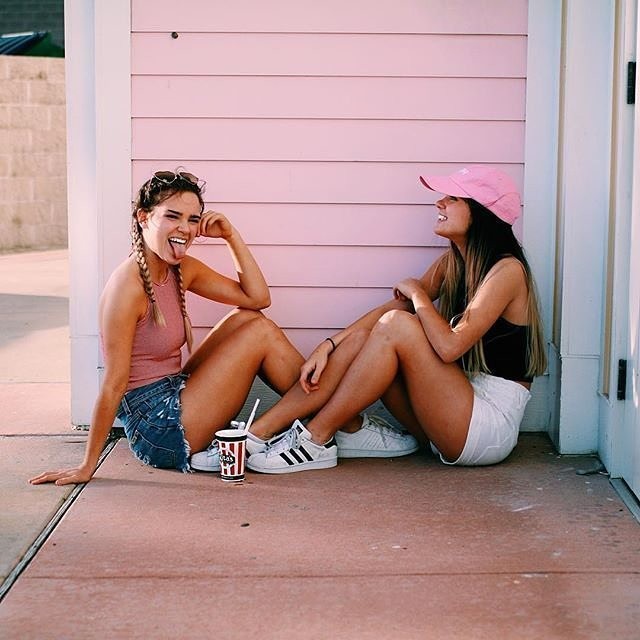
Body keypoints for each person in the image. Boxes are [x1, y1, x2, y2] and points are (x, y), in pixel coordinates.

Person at [244, 165, 547, 474]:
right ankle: (256, 435)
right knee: (368, 336)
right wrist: (329, 345)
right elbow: (391, 311)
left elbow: (449, 347)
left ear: (483, 214)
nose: (439, 203)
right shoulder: (454, 264)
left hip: (486, 428)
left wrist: (419, 296)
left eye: (453, 198)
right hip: (450, 413)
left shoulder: (507, 271)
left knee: (398, 325)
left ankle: (316, 438)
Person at [30, 168, 307, 485]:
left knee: (249, 319)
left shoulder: (180, 269)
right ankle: (328, 423)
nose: (185, 228)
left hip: (176, 390)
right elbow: (113, 384)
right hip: (158, 428)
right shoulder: (127, 288)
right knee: (259, 333)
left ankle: (330, 420)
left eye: (192, 219)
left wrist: (231, 235)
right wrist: (87, 465)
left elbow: (257, 298)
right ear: (143, 217)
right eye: (172, 216)